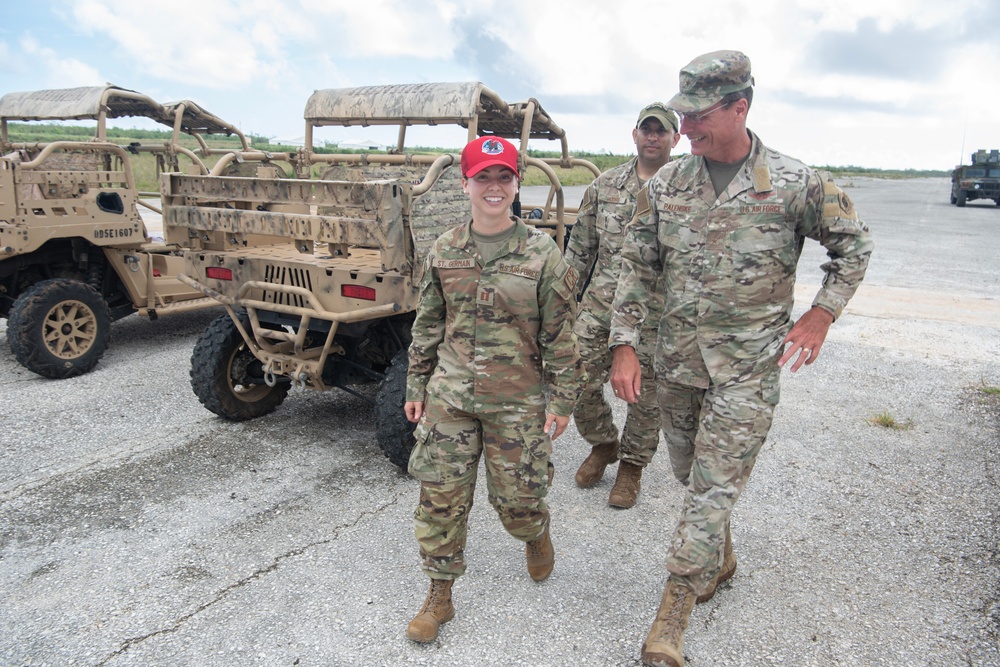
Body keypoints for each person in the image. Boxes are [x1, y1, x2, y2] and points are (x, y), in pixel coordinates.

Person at [608, 51, 874, 667]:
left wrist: (822, 312)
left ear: (739, 108)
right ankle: (719, 559)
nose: (687, 128)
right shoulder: (669, 184)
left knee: (711, 484)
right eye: (683, 116)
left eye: (698, 116)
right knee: (688, 474)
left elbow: (853, 246)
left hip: (747, 369)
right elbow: (637, 266)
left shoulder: (794, 182)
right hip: (677, 363)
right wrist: (624, 343)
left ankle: (673, 609)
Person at [403, 135, 580, 643]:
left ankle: (535, 533)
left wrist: (563, 399)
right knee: (440, 500)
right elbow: (428, 325)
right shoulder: (445, 249)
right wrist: (416, 383)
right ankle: (440, 595)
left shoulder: (542, 253)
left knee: (519, 502)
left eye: (504, 177)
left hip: (516, 403)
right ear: (466, 184)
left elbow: (559, 336)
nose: (494, 187)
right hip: (450, 398)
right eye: (484, 177)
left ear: (516, 183)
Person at [565, 103, 680, 508]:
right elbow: (578, 251)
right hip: (600, 303)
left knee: (646, 395)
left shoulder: (686, 192)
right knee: (572, 376)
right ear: (634, 135)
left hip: (656, 310)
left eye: (661, 131)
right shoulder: (605, 186)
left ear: (675, 139)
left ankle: (632, 466)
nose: (652, 136)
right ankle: (603, 443)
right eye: (646, 129)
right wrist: (561, 302)